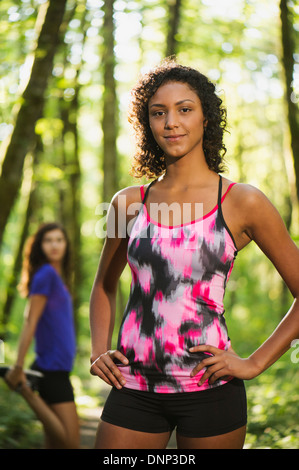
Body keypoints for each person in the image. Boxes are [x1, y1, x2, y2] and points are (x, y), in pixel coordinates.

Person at [89, 59, 299, 449]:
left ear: (206, 118)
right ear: (147, 124)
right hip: (133, 387)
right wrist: (98, 349)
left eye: (184, 109)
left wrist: (253, 363)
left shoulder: (242, 202)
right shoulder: (127, 204)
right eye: (158, 112)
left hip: (211, 390)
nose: (171, 122)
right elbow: (104, 285)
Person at [5, 222, 79, 449]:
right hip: (51, 366)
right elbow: (30, 320)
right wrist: (18, 365)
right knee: (71, 443)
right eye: (48, 240)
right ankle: (24, 389)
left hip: (57, 365)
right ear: (40, 245)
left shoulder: (57, 277)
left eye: (59, 239)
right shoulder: (46, 275)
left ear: (66, 244)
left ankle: (25, 386)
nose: (54, 245)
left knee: (54, 444)